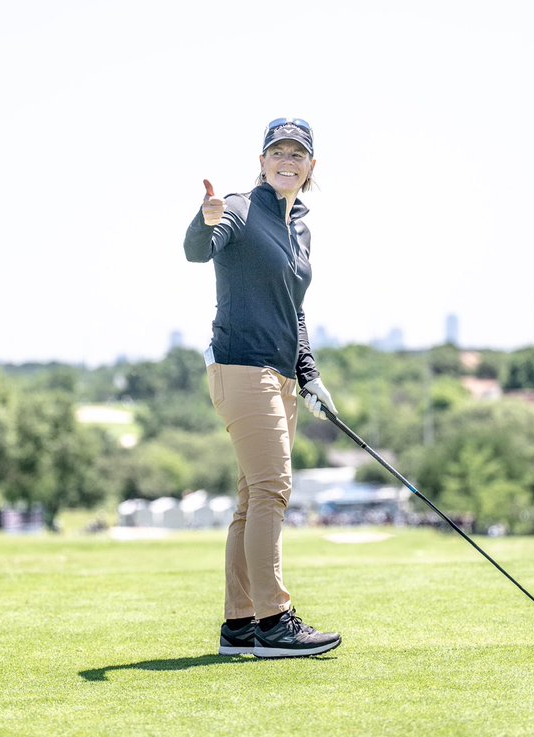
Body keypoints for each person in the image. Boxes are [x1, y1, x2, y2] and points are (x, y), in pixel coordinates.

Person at [183, 117, 342, 659]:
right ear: (262, 160)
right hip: (242, 369)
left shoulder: (299, 226)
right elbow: (198, 249)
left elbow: (292, 312)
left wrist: (310, 372)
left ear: (310, 167)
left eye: (298, 155)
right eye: (278, 152)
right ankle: (275, 623)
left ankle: (240, 627)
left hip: (281, 378)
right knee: (273, 490)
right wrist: (205, 223)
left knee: (253, 500)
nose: (287, 161)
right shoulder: (239, 207)